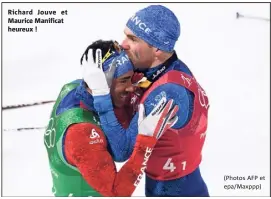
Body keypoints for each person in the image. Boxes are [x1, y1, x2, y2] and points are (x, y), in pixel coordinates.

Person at [86, 5, 210, 197]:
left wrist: (101, 94)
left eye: (133, 39)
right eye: (125, 35)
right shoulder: (161, 67)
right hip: (170, 183)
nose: (123, 43)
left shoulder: (168, 93)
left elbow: (122, 150)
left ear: (158, 48)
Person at [43, 40, 179, 197]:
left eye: (130, 78)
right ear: (102, 83)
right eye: (123, 80)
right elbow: (117, 193)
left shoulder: (72, 87)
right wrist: (146, 140)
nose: (130, 86)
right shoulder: (82, 133)